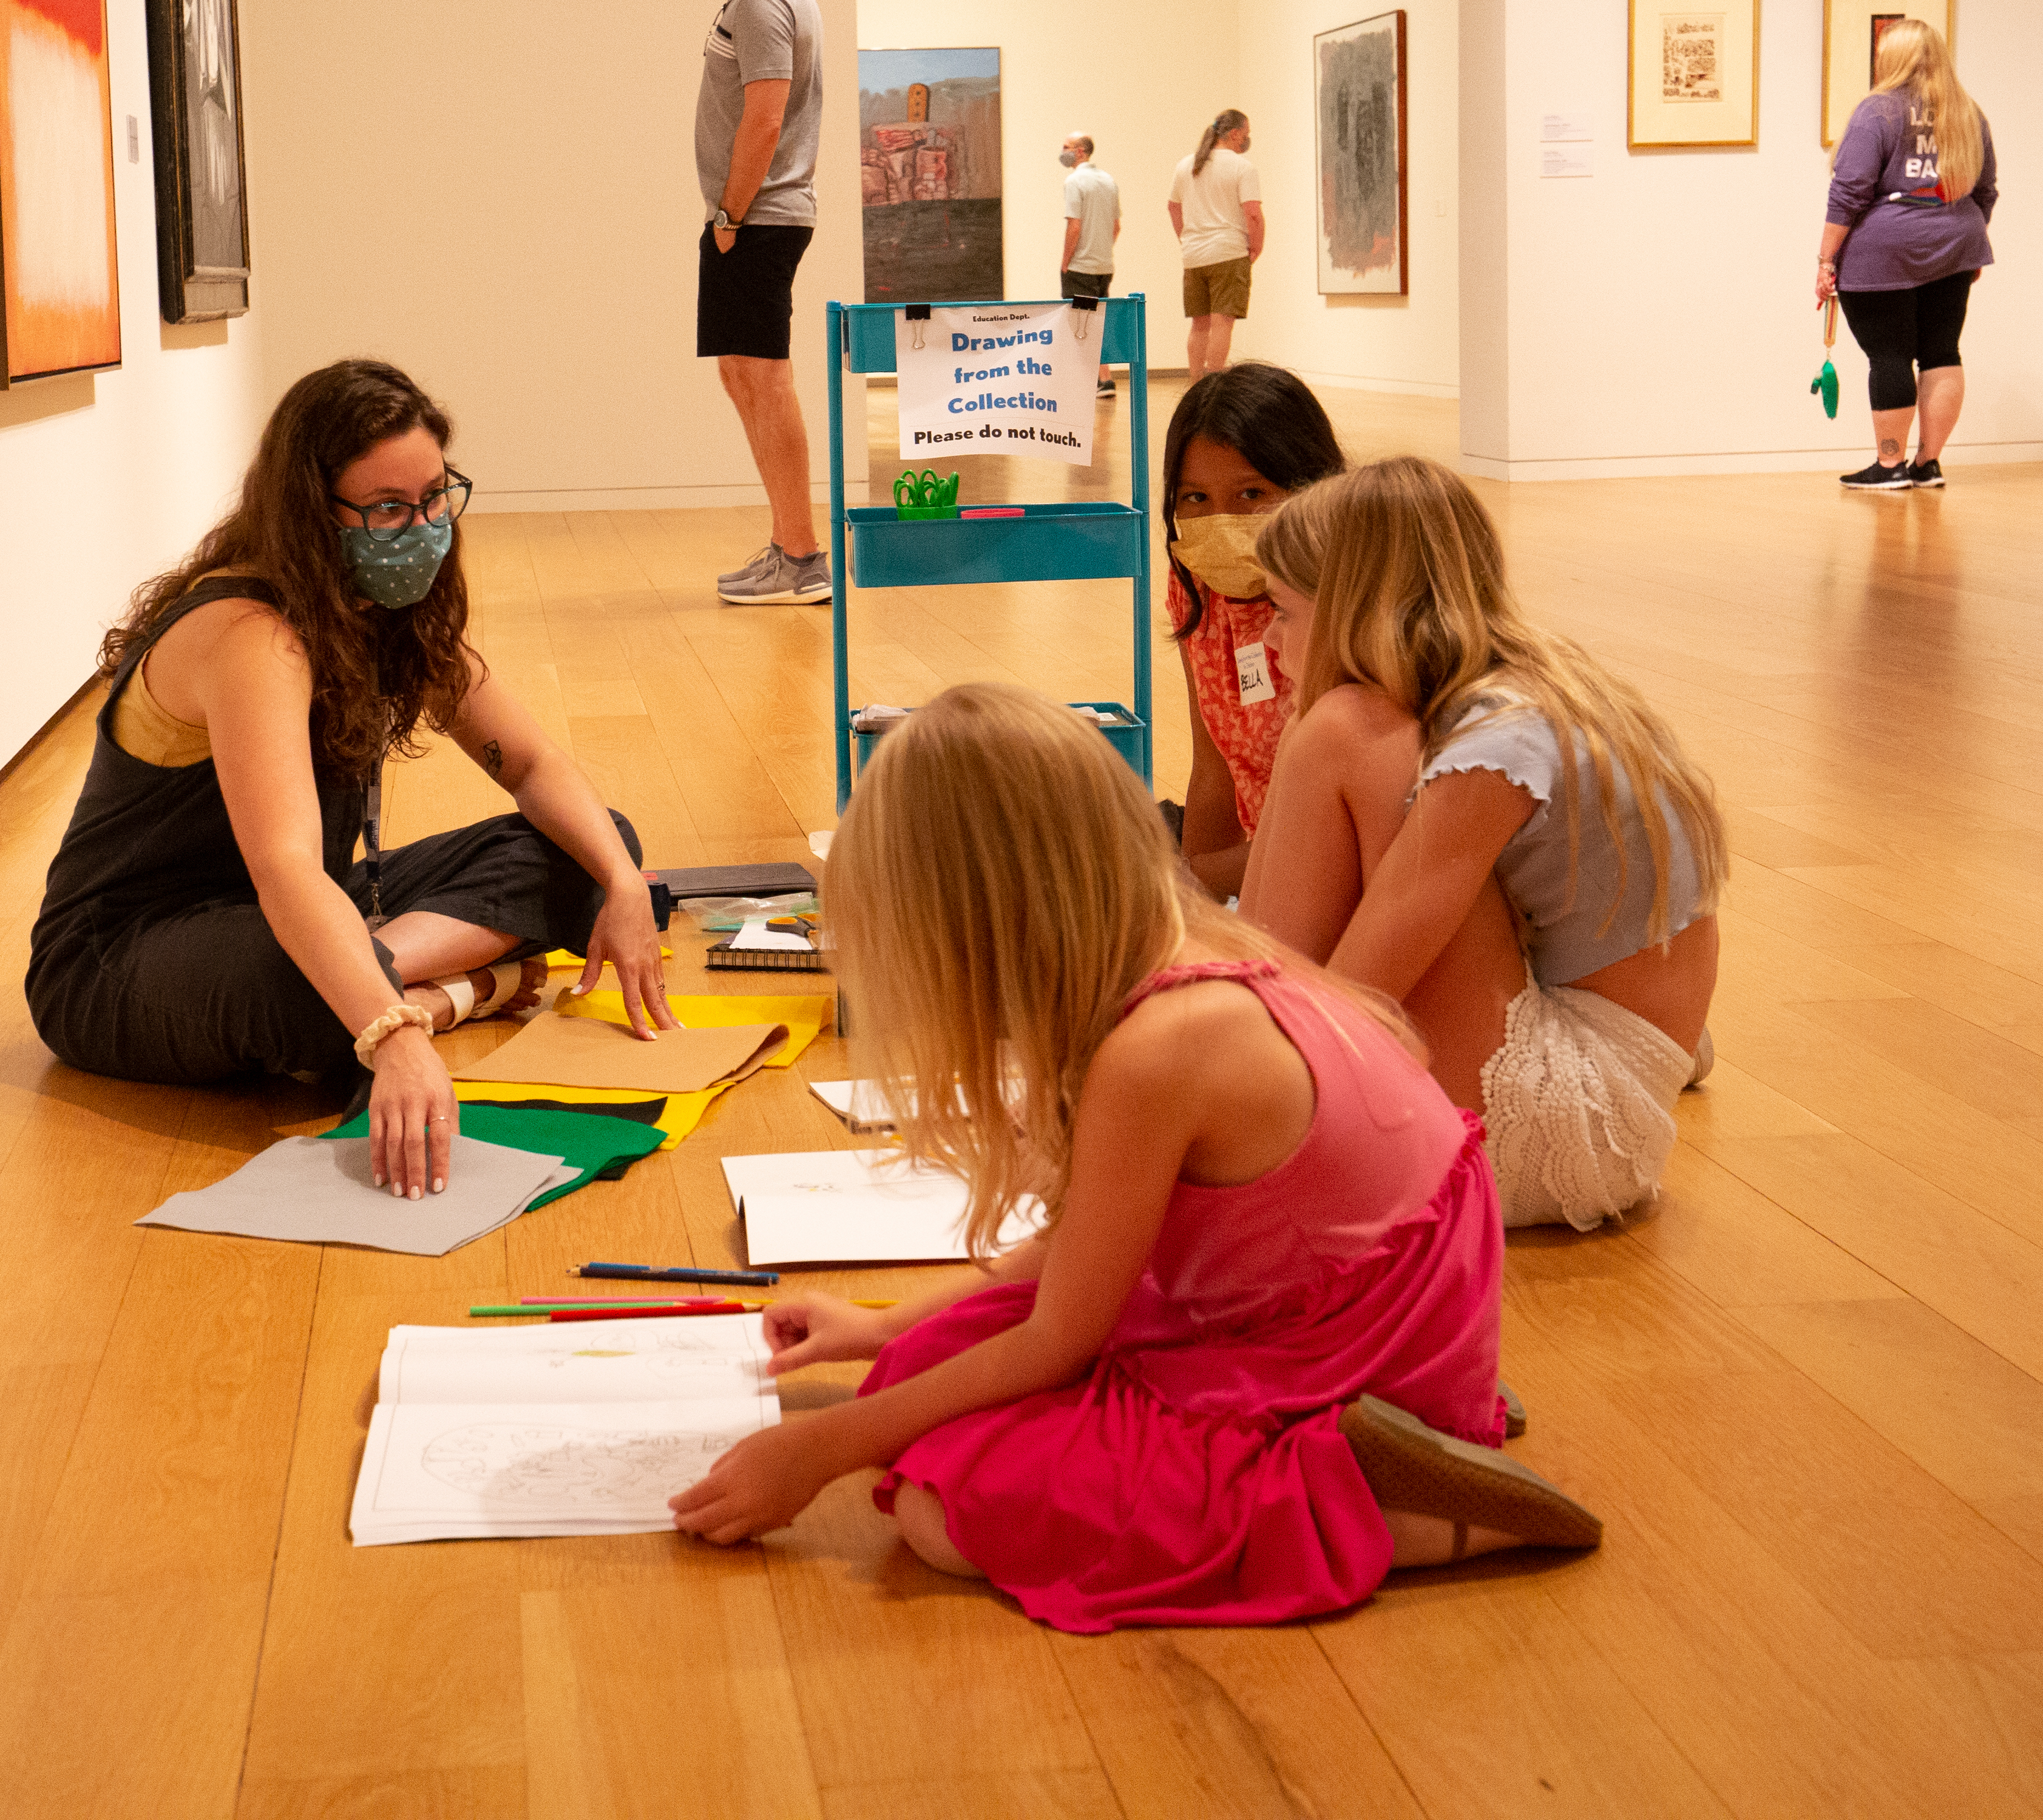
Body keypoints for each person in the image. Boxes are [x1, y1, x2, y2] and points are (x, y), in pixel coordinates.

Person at [666, 682, 1600, 1625]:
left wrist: (822, 1454)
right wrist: (881, 1331)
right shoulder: (1184, 951)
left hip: (1345, 1337)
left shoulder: (1156, 1052)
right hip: (1365, 1298)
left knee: (948, 1506)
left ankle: (1389, 1498)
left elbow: (1059, 1337)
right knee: (920, 1371)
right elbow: (1085, 1251)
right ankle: (1400, 1424)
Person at [25, 360, 674, 1200]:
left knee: (594, 841)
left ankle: (380, 983)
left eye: (436, 497)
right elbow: (286, 870)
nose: (422, 527)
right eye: (388, 510)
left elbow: (536, 765)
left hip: (306, 908)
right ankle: (443, 995)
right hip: (122, 957)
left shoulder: (383, 610)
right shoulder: (252, 635)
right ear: (311, 515)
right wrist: (399, 1032)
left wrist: (623, 885)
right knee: (302, 972)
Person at [1241, 458, 1724, 1232]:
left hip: (1577, 1118)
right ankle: (1232, 1047)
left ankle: (1232, 1077)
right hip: (1626, 1074)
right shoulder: (1521, 690)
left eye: (1284, 612)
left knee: (1338, 732)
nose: (1268, 637)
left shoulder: (1491, 748)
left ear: (1347, 611)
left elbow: (1355, 998)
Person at [687, 0, 832, 603]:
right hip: (752, 216)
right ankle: (788, 544)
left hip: (759, 215)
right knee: (742, 372)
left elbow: (766, 115)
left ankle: (803, 557)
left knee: (764, 377)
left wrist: (731, 214)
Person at [1160, 364, 1346, 898]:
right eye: (1195, 498)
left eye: (1251, 494)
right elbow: (1213, 770)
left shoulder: (1342, 605)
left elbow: (1328, 837)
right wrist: (1198, 912)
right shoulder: (1196, 588)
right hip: (1255, 868)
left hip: (1322, 876)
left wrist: (1188, 884)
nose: (1222, 521)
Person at [1817, 21, 1995, 491]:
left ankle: (1889, 464)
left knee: (1890, 354)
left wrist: (1825, 260)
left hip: (1886, 250)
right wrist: (1966, 246)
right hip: (1956, 241)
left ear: (1889, 59)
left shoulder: (1878, 111)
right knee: (1941, 351)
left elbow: (1849, 192)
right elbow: (1985, 190)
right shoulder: (1968, 112)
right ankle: (1927, 464)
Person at [1167, 107, 1263, 378]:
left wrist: (1187, 239)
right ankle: (1213, 385)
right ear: (1234, 134)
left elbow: (1173, 207)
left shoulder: (1186, 165)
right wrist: (1256, 246)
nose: (1248, 138)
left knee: (1200, 325)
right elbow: (1253, 213)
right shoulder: (1243, 167)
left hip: (1194, 257)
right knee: (1222, 324)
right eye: (1247, 133)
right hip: (1229, 253)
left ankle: (1197, 386)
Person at [1057, 132, 1122, 395]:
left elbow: (1075, 226)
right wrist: (1102, 251)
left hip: (1080, 268)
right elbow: (1116, 227)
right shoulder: (1109, 181)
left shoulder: (1074, 181)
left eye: (1067, 147)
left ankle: (1084, 381)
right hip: (1103, 268)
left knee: (1081, 323)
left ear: (1081, 151)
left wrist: (1066, 261)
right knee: (1098, 321)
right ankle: (1103, 379)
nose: (1063, 151)